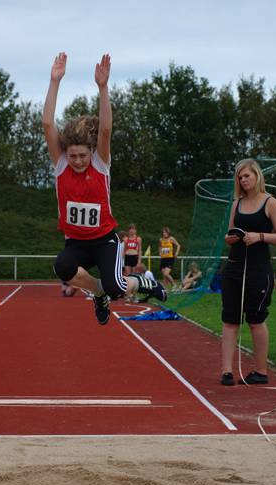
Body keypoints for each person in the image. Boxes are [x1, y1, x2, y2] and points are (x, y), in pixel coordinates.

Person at [42, 52, 167, 325]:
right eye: (72, 156)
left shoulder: (99, 164)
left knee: (117, 288)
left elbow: (106, 130)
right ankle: (98, 292)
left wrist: (103, 88)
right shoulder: (61, 165)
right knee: (62, 267)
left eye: (82, 156)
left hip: (104, 240)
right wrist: (55, 81)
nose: (76, 161)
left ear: (91, 153)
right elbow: (48, 124)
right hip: (75, 241)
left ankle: (142, 283)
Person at [221, 159, 276, 386]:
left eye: (247, 176)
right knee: (230, 319)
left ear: (257, 176)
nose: (243, 180)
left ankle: (261, 371)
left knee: (256, 319)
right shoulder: (236, 203)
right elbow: (229, 234)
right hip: (234, 266)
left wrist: (259, 236)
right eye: (240, 177)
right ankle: (227, 372)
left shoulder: (270, 202)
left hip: (258, 269)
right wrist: (230, 238)